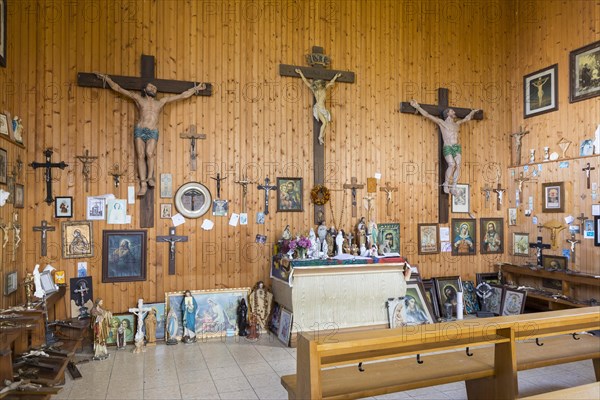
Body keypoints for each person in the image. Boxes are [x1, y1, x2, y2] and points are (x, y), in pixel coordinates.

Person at [95, 73, 206, 196]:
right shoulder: (139, 99)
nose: (153, 89)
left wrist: (195, 89)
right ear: (145, 90)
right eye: (150, 87)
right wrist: (107, 80)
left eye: (154, 88)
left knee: (149, 153)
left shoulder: (161, 102)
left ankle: (150, 177)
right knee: (141, 155)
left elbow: (181, 96)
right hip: (140, 129)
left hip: (152, 130)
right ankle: (143, 184)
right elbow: (119, 89)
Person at [409, 99, 479, 194]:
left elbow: (467, 118)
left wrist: (472, 112)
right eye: (452, 111)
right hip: (448, 146)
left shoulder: (457, 124)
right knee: (452, 164)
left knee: (458, 165)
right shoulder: (442, 122)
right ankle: (446, 183)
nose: (454, 112)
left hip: (456, 147)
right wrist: (417, 107)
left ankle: (454, 185)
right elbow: (427, 115)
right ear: (447, 113)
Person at [295, 68, 342, 145]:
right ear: (316, 85)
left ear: (321, 84)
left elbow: (331, 83)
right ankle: (320, 136)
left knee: (326, 123)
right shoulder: (315, 90)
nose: (319, 85)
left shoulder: (324, 89)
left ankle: (321, 137)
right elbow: (306, 82)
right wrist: (300, 73)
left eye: (319, 84)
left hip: (323, 108)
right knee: (324, 122)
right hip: (318, 108)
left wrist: (336, 77)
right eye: (317, 84)